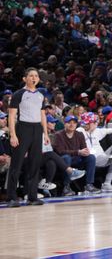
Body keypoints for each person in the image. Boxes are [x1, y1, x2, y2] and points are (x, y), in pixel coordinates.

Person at [6, 67, 48, 207]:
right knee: (16, 164)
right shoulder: (19, 94)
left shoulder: (41, 95)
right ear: (25, 78)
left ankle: (32, 196)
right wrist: (13, 134)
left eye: (36, 76)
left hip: (37, 129)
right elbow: (11, 116)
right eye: (31, 75)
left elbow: (42, 115)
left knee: (34, 164)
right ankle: (12, 197)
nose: (34, 78)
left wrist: (46, 133)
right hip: (23, 128)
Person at [79, 112, 112, 192]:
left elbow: (108, 130)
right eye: (94, 122)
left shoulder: (97, 131)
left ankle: (107, 183)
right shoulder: (80, 131)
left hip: (103, 157)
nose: (96, 123)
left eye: (96, 122)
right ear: (88, 123)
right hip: (92, 159)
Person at [53, 114, 98, 195]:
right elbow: (60, 151)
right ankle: (66, 187)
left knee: (91, 157)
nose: (72, 124)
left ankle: (89, 185)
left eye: (74, 123)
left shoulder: (79, 134)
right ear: (64, 123)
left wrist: (85, 152)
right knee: (67, 158)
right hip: (63, 161)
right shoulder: (58, 135)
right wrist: (78, 152)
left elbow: (83, 148)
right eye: (69, 122)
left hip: (77, 159)